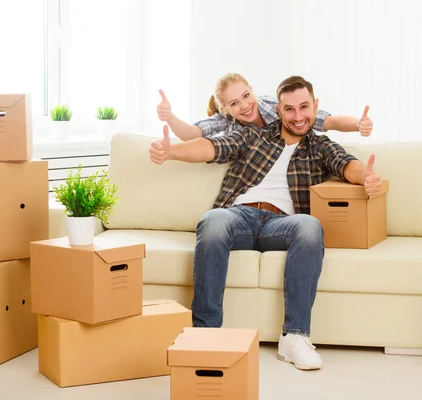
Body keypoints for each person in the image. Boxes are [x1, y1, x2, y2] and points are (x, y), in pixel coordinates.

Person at [149, 75, 383, 371]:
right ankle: (205, 334)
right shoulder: (252, 135)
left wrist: (368, 178)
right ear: (278, 109)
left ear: (315, 107)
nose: (298, 117)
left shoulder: (320, 146)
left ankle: (295, 337)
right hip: (238, 216)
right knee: (212, 221)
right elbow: (211, 147)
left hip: (281, 224)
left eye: (304, 108)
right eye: (289, 109)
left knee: (310, 226)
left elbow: (347, 164)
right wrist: (171, 152)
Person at [156, 72, 373, 141]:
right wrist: (170, 117)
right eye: (234, 103)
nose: (244, 105)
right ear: (224, 109)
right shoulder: (225, 120)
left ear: (252, 89)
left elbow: (326, 121)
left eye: (246, 95)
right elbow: (192, 134)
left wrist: (358, 124)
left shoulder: (274, 106)